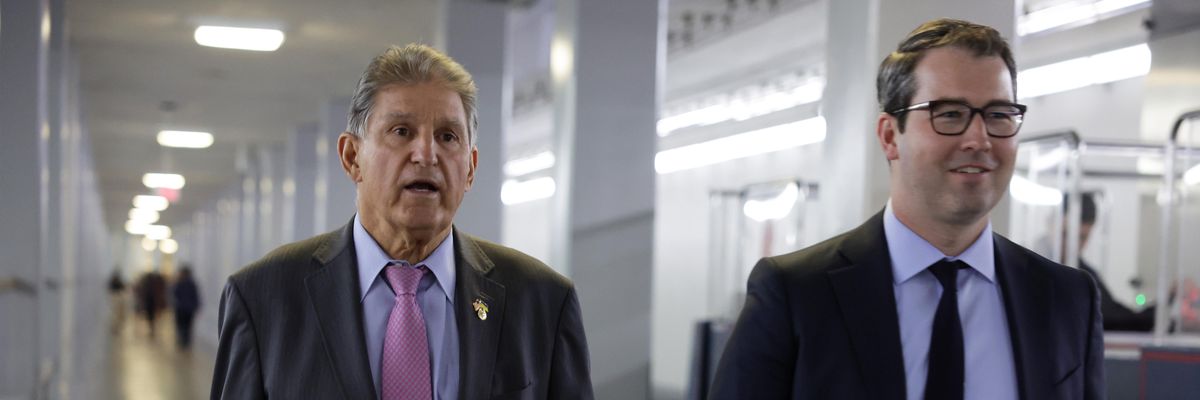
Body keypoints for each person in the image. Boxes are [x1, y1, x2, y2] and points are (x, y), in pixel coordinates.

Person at [710, 19, 1103, 399]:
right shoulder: (797, 294)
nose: (979, 139)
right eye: (950, 114)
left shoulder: (1066, 299)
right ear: (889, 136)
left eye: (998, 115)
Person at [211, 44, 593, 400]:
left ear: (471, 168)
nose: (426, 154)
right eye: (401, 132)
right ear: (352, 157)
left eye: (447, 136)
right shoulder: (263, 299)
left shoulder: (542, 301)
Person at [1068, 193, 1155, 331]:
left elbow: (1112, 314)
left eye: (1082, 238)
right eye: (1065, 234)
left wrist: (1161, 309)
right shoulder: (1034, 267)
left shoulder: (1084, 274)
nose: (1073, 244)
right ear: (1050, 222)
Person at [171, 265, 201, 349]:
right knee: (182, 325)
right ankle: (183, 340)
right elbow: (175, 294)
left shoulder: (187, 284)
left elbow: (195, 296)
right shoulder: (180, 283)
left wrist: (196, 305)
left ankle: (185, 340)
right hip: (182, 308)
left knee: (186, 325)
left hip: (186, 308)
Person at [108, 269, 127, 334]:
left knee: (118, 314)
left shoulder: (117, 281)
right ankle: (115, 328)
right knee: (116, 314)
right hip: (116, 298)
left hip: (117, 298)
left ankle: (116, 327)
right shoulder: (115, 281)